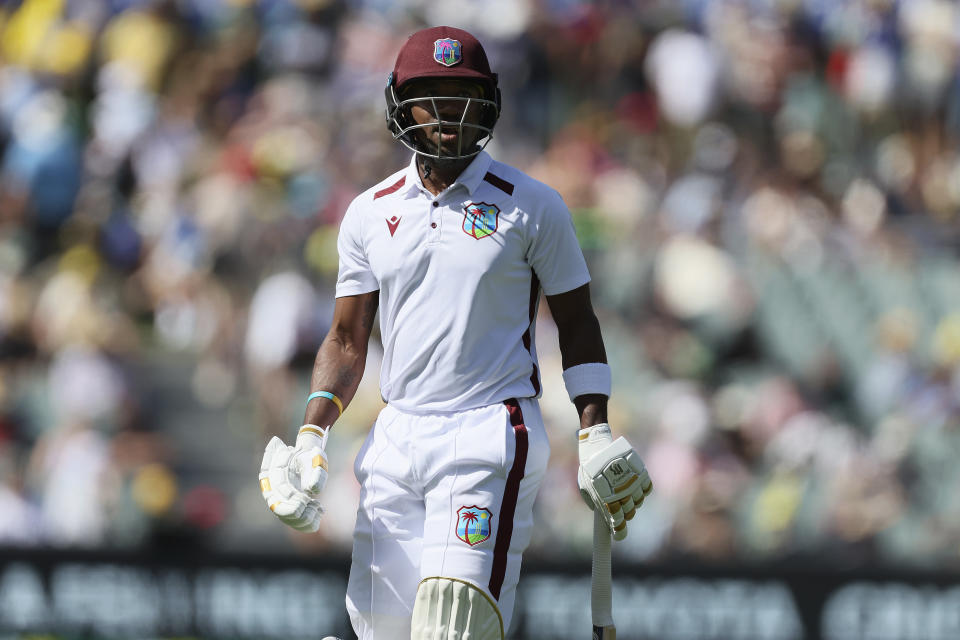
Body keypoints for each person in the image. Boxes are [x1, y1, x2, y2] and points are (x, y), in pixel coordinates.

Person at [258, 25, 652, 640]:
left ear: (489, 101)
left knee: (453, 625)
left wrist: (594, 428)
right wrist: (312, 432)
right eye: (430, 94)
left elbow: (578, 323)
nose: (448, 112)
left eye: (462, 93)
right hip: (396, 433)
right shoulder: (369, 210)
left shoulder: (533, 204)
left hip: (488, 430)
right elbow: (345, 340)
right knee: (379, 631)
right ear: (398, 103)